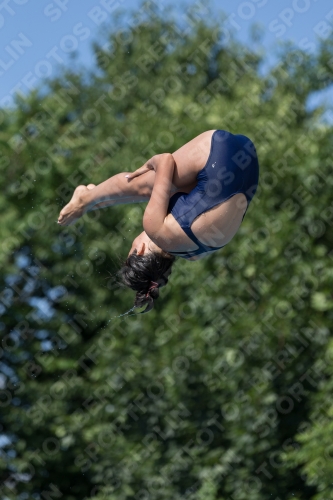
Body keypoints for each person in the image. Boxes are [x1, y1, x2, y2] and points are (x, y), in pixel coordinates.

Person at [57, 129, 260, 313]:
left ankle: (97, 199)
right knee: (144, 185)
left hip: (248, 160)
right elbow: (165, 160)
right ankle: (86, 199)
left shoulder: (194, 255)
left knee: (177, 194)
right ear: (141, 250)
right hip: (219, 149)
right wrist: (148, 164)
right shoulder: (155, 230)